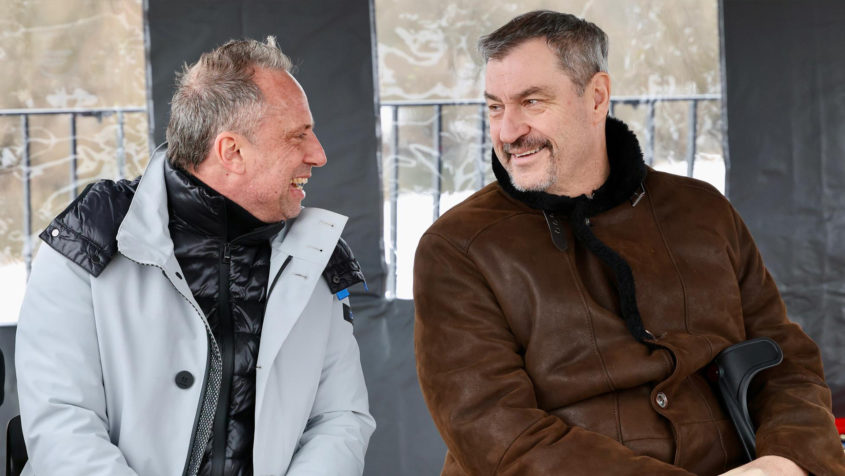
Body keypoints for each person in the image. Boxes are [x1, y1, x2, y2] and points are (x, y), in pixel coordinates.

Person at [413, 10, 845, 476]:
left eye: (532, 102)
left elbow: (785, 361)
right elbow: (498, 436)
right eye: (495, 106)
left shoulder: (702, 211)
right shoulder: (458, 246)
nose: (507, 131)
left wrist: (786, 462)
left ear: (596, 97)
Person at [16, 37, 375, 476]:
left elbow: (340, 419)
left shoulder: (317, 256)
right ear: (232, 152)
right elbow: (60, 422)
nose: (318, 154)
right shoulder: (90, 239)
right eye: (297, 136)